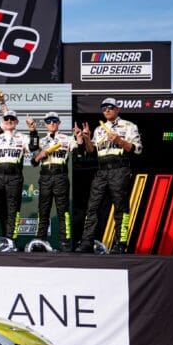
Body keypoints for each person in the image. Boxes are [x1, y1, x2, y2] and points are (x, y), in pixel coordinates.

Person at [76, 97, 142, 254]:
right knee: (92, 207)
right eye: (104, 108)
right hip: (101, 170)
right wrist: (86, 139)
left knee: (120, 208)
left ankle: (121, 243)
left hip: (120, 168)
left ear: (117, 109)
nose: (106, 110)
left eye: (110, 107)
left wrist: (119, 140)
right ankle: (87, 242)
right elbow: (92, 151)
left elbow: (137, 149)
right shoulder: (99, 129)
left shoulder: (129, 126)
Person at [29, 111, 82, 252]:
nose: (51, 123)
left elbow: (79, 153)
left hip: (61, 177)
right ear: (45, 124)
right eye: (48, 121)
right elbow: (33, 161)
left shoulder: (67, 139)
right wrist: (40, 155)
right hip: (45, 176)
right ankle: (40, 241)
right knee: (43, 211)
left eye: (54, 121)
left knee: (63, 212)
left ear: (59, 123)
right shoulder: (41, 140)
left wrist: (79, 138)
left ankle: (65, 243)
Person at [0, 110, 29, 251]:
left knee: (13, 209)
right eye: (6, 119)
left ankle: (10, 240)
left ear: (17, 122)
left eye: (12, 119)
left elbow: (32, 148)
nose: (9, 121)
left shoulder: (23, 137)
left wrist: (32, 131)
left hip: (15, 176)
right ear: (2, 122)